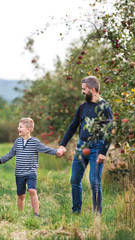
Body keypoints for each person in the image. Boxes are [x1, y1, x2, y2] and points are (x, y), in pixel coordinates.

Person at [57, 76, 113, 215]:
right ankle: (76, 211)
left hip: (97, 147)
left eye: (84, 89)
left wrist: (103, 153)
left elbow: (109, 131)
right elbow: (72, 127)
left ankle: (97, 214)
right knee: (74, 180)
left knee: (94, 182)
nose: (82, 92)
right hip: (81, 146)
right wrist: (62, 144)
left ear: (93, 90)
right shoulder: (82, 107)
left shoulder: (105, 108)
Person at [0, 118, 62, 217]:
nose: (18, 128)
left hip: (31, 172)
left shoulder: (35, 142)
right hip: (19, 173)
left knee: (32, 191)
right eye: (18, 126)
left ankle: (36, 214)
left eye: (20, 127)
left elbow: (45, 149)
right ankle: (21, 215)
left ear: (28, 129)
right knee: (21, 195)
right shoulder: (17, 142)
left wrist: (56, 151)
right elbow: (10, 154)